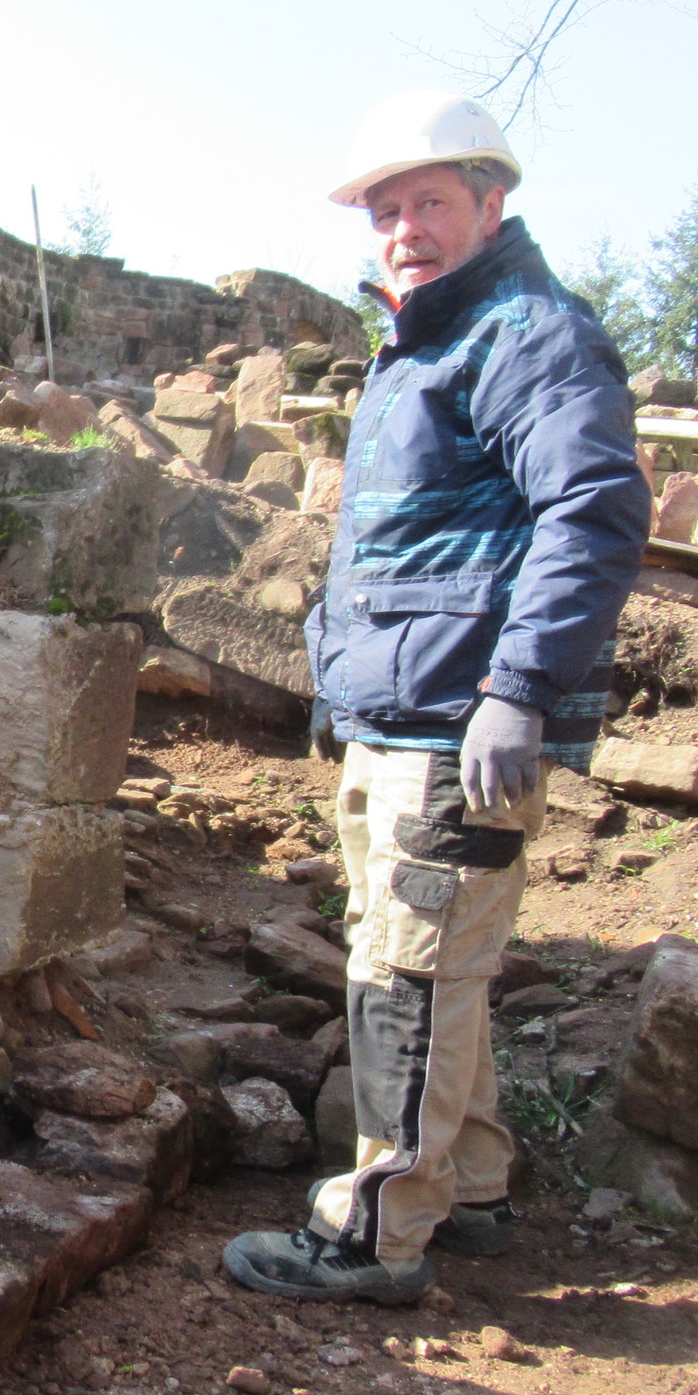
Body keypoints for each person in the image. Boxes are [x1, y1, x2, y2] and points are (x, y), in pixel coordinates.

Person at [222, 92, 651, 1305]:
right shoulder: (430, 342)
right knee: (425, 962)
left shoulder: (526, 336)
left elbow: (594, 512)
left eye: (430, 202)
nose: (404, 228)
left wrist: (519, 690)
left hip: (458, 727)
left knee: (408, 980)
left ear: (491, 202)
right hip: (406, 716)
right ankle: (467, 1188)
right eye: (385, 210)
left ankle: (374, 1238)